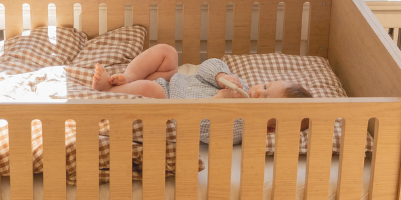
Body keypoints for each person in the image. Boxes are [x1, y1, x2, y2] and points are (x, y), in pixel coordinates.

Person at [92, 44, 311, 144]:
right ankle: (128, 77)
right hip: (171, 80)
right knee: (167, 53)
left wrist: (218, 103)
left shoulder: (237, 128)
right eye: (264, 86)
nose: (257, 92)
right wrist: (221, 75)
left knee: (152, 90)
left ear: (269, 128)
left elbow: (202, 130)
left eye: (266, 99)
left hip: (166, 102)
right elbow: (206, 67)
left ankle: (109, 90)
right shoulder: (239, 86)